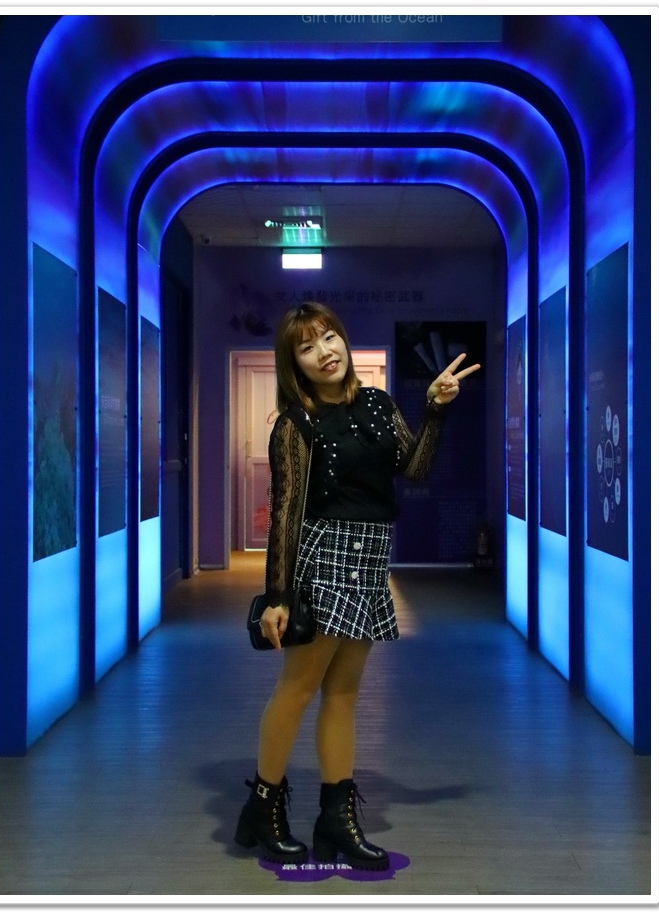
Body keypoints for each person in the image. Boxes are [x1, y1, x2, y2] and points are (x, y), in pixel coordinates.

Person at [234, 302, 480, 870]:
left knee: (343, 693)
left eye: (329, 338)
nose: (324, 352)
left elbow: (414, 468)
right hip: (323, 556)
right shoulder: (294, 424)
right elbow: (285, 512)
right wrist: (277, 597)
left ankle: (335, 819)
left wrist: (435, 410)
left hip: (369, 557)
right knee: (298, 688)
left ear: (343, 340)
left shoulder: (378, 403)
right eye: (307, 347)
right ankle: (263, 807)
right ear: (293, 364)